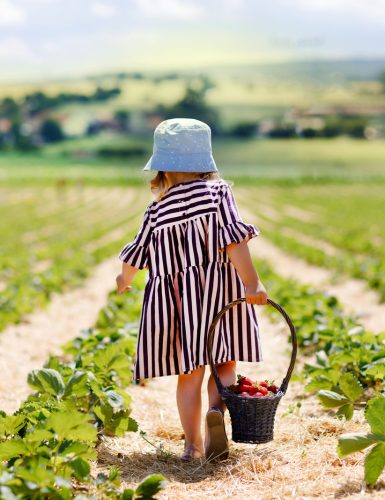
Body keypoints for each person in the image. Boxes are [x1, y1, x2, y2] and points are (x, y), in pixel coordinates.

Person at [116, 118, 268, 462]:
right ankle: (217, 410)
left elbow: (136, 255)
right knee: (224, 362)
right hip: (220, 296)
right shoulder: (218, 194)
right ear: (205, 163)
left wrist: (123, 280)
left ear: (162, 169)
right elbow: (234, 241)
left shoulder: (157, 209)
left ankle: (192, 445)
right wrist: (252, 283)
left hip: (180, 305)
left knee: (189, 374)